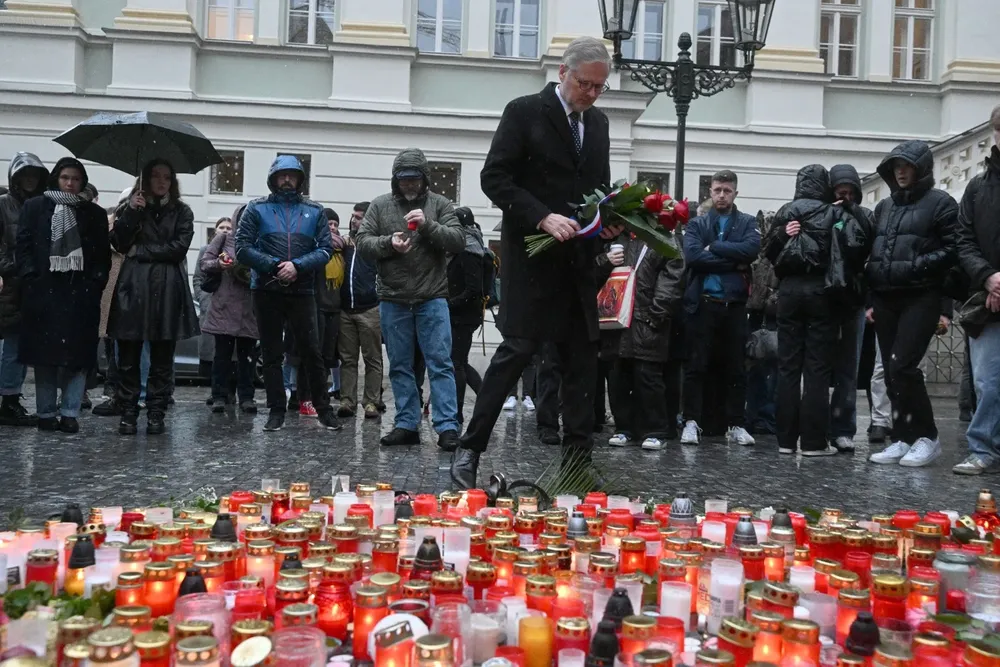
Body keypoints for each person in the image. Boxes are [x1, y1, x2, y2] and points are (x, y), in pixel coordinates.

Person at [451, 36, 619, 488]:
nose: (593, 94)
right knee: (516, 354)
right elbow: (494, 177)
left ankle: (577, 463)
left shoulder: (599, 123)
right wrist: (541, 217)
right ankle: (470, 450)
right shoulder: (524, 111)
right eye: (586, 84)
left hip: (578, 263)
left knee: (583, 362)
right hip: (532, 259)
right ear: (563, 73)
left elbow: (596, 191)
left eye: (601, 87)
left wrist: (608, 222)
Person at [356, 148, 465, 449]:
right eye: (403, 180)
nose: (409, 185)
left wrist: (428, 225)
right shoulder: (379, 206)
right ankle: (406, 424)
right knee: (401, 365)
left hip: (432, 297)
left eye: (415, 179)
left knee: (440, 363)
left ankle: (447, 427)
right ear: (395, 180)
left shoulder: (440, 204)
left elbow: (458, 240)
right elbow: (362, 243)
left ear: (425, 178)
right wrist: (389, 243)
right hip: (393, 298)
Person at [866, 140, 960, 467]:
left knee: (901, 366)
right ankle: (903, 436)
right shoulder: (885, 207)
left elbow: (953, 250)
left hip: (922, 295)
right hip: (886, 297)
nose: (900, 171)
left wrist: (916, 266)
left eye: (906, 165)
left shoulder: (941, 204)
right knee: (892, 373)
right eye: (895, 166)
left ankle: (927, 436)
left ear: (920, 168)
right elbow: (874, 250)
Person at [764, 165, 864, 456]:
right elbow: (852, 247)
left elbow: (768, 251)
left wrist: (785, 235)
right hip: (821, 291)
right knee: (817, 370)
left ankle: (784, 441)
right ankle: (813, 443)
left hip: (789, 292)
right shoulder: (833, 213)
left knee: (788, 368)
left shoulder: (786, 211)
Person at [235, 155, 340, 432]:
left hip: (302, 289)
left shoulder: (315, 211)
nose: (287, 180)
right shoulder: (256, 209)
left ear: (300, 179)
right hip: (267, 289)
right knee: (271, 352)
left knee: (312, 352)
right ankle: (276, 409)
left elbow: (325, 249)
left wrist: (298, 266)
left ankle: (323, 408)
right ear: (273, 179)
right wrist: (274, 266)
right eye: (282, 176)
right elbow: (242, 247)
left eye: (292, 176)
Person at [15, 157, 110, 432]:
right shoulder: (35, 207)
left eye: (76, 179)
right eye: (65, 177)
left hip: (79, 295)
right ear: (56, 178)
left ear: (83, 182)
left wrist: (95, 284)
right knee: (45, 358)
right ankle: (45, 413)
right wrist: (31, 277)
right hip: (43, 294)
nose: (70, 183)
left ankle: (69, 412)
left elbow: (101, 254)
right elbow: (23, 246)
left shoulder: (93, 214)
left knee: (77, 358)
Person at [109, 159, 200, 436]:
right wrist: (132, 214)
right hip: (133, 286)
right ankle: (128, 412)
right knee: (128, 356)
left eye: (166, 177)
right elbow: (119, 243)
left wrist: (143, 251)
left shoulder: (182, 211)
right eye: (155, 176)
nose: (161, 182)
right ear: (146, 180)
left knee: (162, 357)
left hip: (167, 288)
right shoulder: (132, 207)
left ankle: (156, 412)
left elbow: (179, 248)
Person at [679, 170, 760, 447]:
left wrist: (713, 248)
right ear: (710, 192)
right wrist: (731, 260)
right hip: (703, 304)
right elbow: (692, 257)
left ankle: (736, 423)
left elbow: (750, 250)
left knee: (736, 367)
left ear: (735, 193)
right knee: (696, 366)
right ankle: (691, 421)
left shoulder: (748, 223)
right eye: (717, 190)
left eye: (727, 190)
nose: (722, 195)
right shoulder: (697, 224)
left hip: (734, 305)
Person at [953, 106, 1000, 475]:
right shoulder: (978, 186)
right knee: (986, 380)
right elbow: (963, 239)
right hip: (987, 299)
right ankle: (982, 447)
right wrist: (989, 278)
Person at [606, 234, 685, 451]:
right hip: (617, 318)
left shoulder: (664, 238)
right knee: (618, 375)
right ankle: (623, 427)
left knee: (648, 375)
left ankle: (655, 429)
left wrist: (658, 311)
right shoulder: (618, 236)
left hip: (647, 316)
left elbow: (673, 276)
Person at [827, 164, 876, 452]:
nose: (844, 197)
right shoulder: (824, 214)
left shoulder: (865, 216)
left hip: (854, 300)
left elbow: (871, 251)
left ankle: (843, 428)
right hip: (827, 300)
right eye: (839, 192)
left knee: (848, 370)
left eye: (849, 193)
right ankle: (819, 427)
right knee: (820, 369)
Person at [0, 152, 47, 426]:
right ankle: (8, 399)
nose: (30, 179)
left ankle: (12, 397)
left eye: (34, 175)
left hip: (34, 285)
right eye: (25, 174)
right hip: (13, 284)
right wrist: (13, 267)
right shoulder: (3, 205)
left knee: (23, 344)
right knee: (14, 344)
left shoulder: (42, 205)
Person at [201, 209, 258, 413]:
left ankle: (246, 397)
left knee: (247, 357)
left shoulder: (259, 241)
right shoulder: (224, 238)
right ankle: (219, 395)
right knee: (222, 356)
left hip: (248, 308)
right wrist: (220, 263)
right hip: (224, 305)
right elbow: (204, 263)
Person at [296, 207, 344, 417]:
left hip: (335, 309)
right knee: (310, 356)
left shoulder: (342, 251)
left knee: (326, 358)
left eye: (335, 224)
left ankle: (320, 398)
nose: (332, 228)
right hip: (315, 306)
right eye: (329, 224)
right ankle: (304, 398)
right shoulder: (314, 248)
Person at [338, 201, 382, 419]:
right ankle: (347, 400)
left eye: (360, 217)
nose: (355, 220)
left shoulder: (374, 245)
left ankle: (372, 402)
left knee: (372, 358)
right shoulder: (344, 243)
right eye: (353, 216)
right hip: (345, 309)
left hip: (370, 308)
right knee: (347, 359)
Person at [448, 206, 486, 424]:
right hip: (460, 315)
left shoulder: (469, 250)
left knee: (457, 364)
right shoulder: (465, 246)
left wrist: (449, 304)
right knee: (459, 361)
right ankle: (486, 398)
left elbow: (472, 290)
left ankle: (458, 411)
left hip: (463, 317)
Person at [744, 211, 778, 436]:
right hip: (757, 315)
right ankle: (757, 416)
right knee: (755, 368)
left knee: (769, 369)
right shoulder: (754, 250)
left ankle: (765, 417)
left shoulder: (776, 250)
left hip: (771, 316)